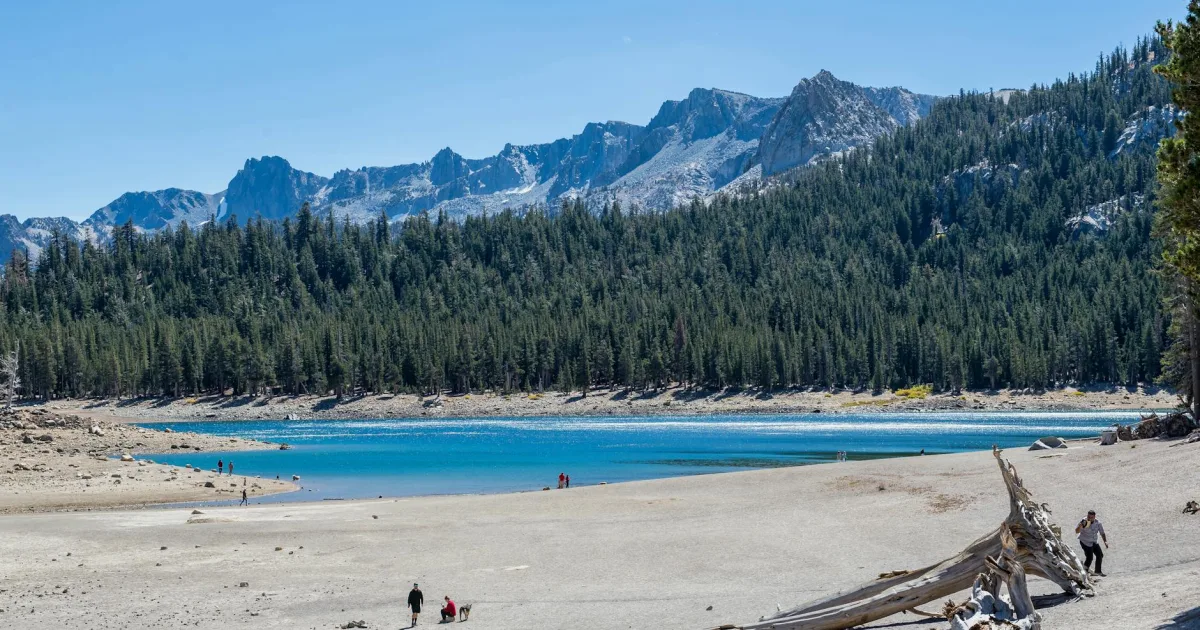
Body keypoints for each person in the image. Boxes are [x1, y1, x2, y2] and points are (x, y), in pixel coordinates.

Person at [1075, 510, 1109, 576]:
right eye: (1088, 517)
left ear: (1094, 517)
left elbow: (1102, 532)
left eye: (1091, 517)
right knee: (1089, 557)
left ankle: (1098, 571)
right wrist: (1080, 526)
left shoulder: (1098, 523)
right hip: (1085, 542)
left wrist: (1105, 541)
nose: (1089, 518)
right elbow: (1077, 531)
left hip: (1094, 541)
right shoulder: (1085, 522)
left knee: (1100, 555)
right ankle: (1084, 571)